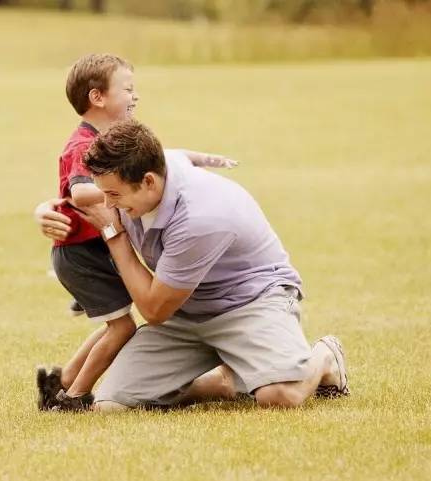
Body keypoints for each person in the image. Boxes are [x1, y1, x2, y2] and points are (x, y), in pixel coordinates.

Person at [41, 119, 349, 411]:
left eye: (112, 195)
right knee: (113, 404)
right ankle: (228, 379)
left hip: (249, 302)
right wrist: (43, 212)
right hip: (186, 313)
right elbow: (78, 200)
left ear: (148, 182)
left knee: (279, 396)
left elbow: (154, 310)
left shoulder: (200, 218)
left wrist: (114, 235)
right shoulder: (143, 172)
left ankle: (323, 357)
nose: (106, 204)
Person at [37, 53, 236, 411]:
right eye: (127, 89)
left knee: (120, 322)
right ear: (98, 97)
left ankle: (61, 381)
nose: (135, 96)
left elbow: (166, 156)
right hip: (82, 255)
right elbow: (79, 192)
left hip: (93, 251)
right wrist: (121, 191)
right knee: (123, 328)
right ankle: (74, 396)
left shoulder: (109, 139)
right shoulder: (83, 146)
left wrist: (205, 160)